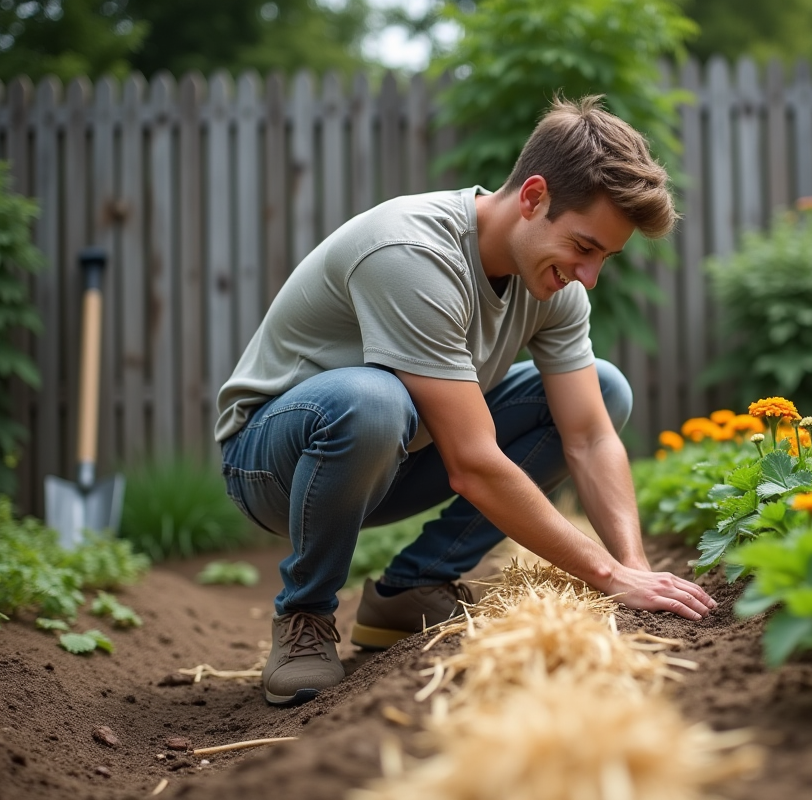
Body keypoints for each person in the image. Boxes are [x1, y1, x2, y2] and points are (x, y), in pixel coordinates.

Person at [216, 94, 716, 706]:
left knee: (605, 388)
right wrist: (606, 576)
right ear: (533, 197)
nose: (589, 276)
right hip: (273, 463)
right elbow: (474, 463)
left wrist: (633, 566)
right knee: (372, 401)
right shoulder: (414, 253)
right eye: (584, 247)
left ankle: (410, 590)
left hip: (395, 458)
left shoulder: (556, 287)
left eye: (605, 258)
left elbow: (588, 435)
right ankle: (305, 616)